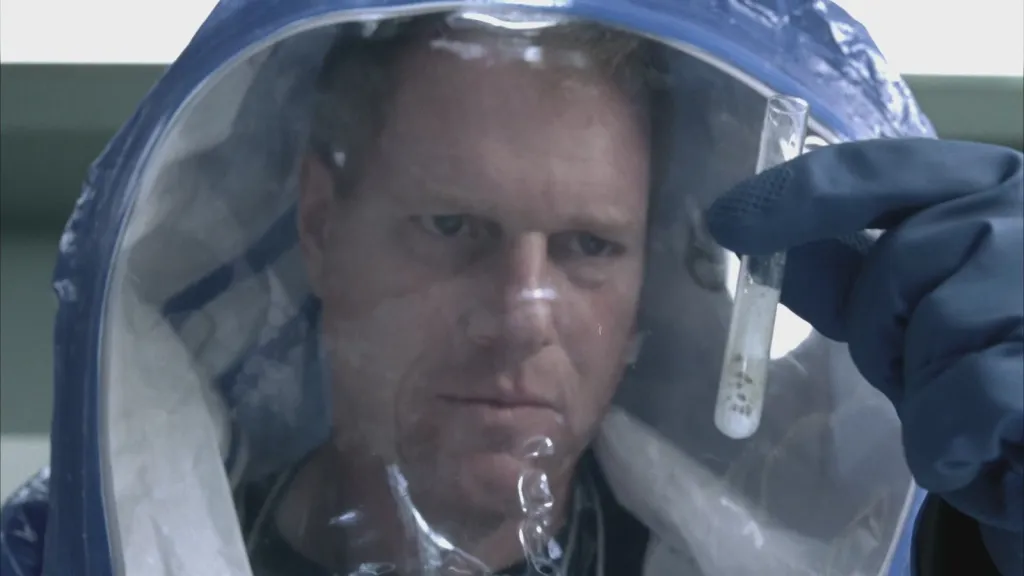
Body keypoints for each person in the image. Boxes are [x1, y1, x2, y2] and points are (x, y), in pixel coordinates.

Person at [1, 3, 1020, 576]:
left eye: (587, 246)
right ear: (320, 225)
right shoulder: (69, 555)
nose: (520, 318)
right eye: (453, 229)